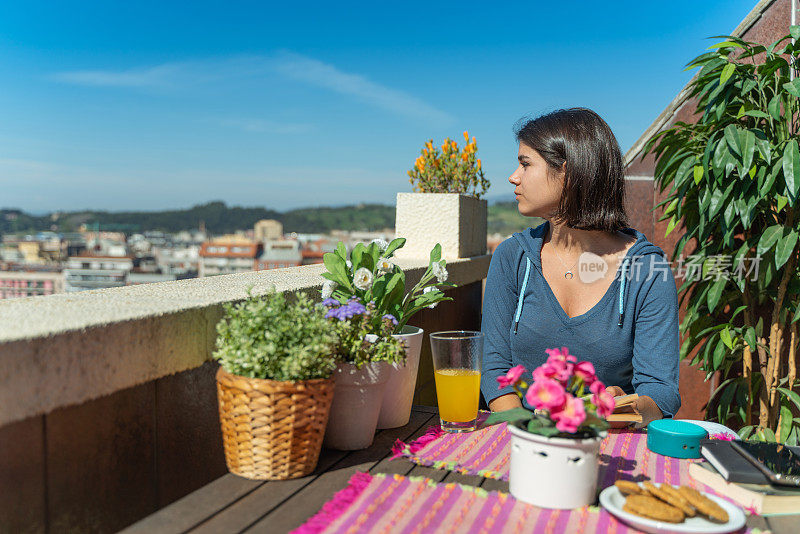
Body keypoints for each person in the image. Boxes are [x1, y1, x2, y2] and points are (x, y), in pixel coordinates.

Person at [481, 107, 680, 426]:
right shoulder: (512, 257)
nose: (513, 177)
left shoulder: (646, 270)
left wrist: (619, 409)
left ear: (568, 173)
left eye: (525, 163)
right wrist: (534, 431)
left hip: (608, 442)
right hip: (522, 438)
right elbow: (494, 371)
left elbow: (661, 392)